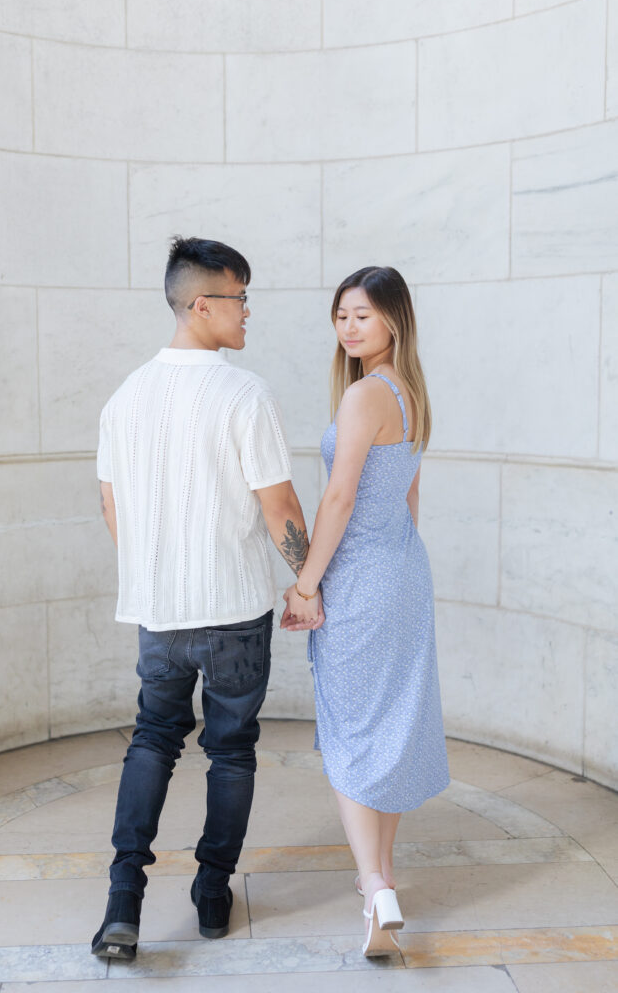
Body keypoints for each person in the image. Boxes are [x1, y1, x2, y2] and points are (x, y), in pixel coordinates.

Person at [91, 236, 322, 960]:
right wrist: (306, 581)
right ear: (201, 304)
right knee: (230, 753)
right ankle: (212, 894)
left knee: (152, 742)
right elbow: (278, 504)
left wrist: (158, 572)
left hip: (157, 612)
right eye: (240, 298)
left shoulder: (124, 396)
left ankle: (122, 906)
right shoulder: (242, 392)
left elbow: (111, 508)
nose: (248, 313)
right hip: (230, 609)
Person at [281, 265, 450, 956]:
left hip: (358, 576)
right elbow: (409, 498)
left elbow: (338, 499)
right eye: (341, 315)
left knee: (352, 729)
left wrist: (305, 585)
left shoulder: (362, 399)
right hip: (404, 570)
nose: (349, 327)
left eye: (363, 315)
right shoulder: (410, 393)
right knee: (391, 723)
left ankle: (374, 886)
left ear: (393, 321)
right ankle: (378, 882)